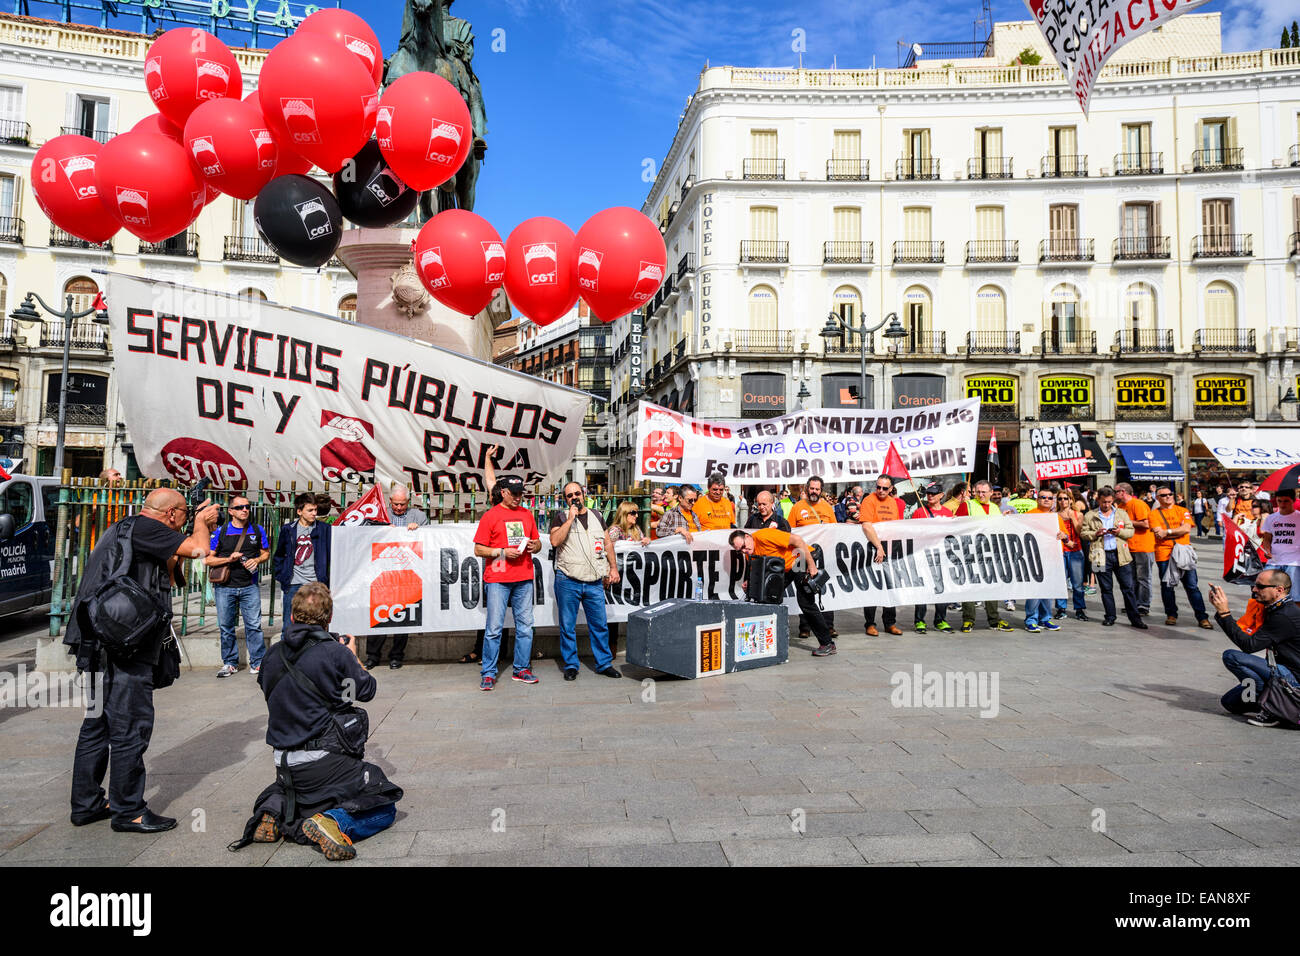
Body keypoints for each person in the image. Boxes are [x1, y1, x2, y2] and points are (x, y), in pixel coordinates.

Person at [67, 488, 220, 832]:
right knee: (129, 728)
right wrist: (200, 523)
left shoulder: (123, 528)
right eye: (182, 515)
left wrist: (179, 543)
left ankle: (87, 803)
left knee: (97, 725)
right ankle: (128, 810)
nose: (182, 521)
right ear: (171, 515)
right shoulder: (150, 528)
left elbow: (173, 576)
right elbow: (201, 550)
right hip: (125, 651)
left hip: (94, 644)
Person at [233, 582, 402, 860]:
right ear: (329, 618)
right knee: (383, 802)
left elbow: (271, 689)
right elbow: (364, 691)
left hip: (283, 762)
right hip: (321, 760)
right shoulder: (335, 653)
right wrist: (353, 657)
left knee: (297, 793)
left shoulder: (273, 654)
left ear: (291, 616)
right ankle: (333, 823)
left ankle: (273, 814)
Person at [472, 475, 543, 690]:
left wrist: (535, 546)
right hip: (498, 579)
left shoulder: (527, 514)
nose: (519, 498)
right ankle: (489, 673)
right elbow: (478, 549)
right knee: (494, 628)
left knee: (525, 627)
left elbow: (538, 542)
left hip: (523, 577)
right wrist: (501, 551)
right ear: (503, 492)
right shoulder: (490, 516)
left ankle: (521, 668)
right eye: (514, 494)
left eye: (521, 493)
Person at [550, 481, 622, 681]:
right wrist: (569, 520)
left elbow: (607, 543)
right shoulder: (561, 517)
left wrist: (613, 567)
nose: (574, 497)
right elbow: (555, 541)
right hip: (568, 580)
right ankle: (571, 665)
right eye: (569, 495)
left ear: (584, 494)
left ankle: (604, 663)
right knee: (568, 625)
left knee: (599, 624)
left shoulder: (597, 515)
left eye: (577, 493)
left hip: (594, 581)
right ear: (565, 499)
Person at [1209, 572, 1300, 727]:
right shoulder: (1275, 608)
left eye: (1260, 586)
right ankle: (1268, 696)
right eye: (1254, 585)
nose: (1254, 590)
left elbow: (1249, 646)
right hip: (1280, 671)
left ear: (1279, 589)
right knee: (1229, 703)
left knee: (1232, 656)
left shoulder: (1285, 615)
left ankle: (1274, 707)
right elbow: (1247, 636)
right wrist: (1221, 613)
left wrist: (1225, 613)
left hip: (1293, 680)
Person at [729, 527, 835, 656]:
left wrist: (811, 565)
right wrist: (748, 582)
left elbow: (798, 540)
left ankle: (827, 643)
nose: (744, 551)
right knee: (767, 597)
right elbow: (755, 570)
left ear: (747, 537)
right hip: (785, 569)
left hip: (799, 560)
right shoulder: (748, 552)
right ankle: (766, 640)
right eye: (740, 550)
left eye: (744, 547)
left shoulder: (764, 536)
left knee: (805, 602)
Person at [363, 485, 428, 671]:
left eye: (403, 504)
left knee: (402, 618)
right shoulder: (380, 515)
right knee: (378, 617)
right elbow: (364, 532)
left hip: (407, 575)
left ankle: (397, 656)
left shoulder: (419, 516)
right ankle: (372, 656)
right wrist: (383, 528)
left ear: (409, 502)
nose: (399, 507)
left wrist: (418, 531)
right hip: (383, 575)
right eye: (396, 504)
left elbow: (429, 540)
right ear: (389, 501)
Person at [205, 494, 271, 678]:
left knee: (254, 626)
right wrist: (229, 558)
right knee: (226, 626)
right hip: (225, 586)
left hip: (250, 586)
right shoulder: (221, 532)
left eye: (247, 507)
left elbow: (265, 553)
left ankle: (257, 663)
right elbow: (208, 559)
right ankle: (230, 663)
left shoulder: (257, 530)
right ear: (231, 511)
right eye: (240, 507)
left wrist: (257, 560)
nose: (245, 510)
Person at [1080, 487, 1146, 630]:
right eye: (1104, 502)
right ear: (1098, 500)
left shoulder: (1121, 513)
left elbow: (1131, 531)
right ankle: (1110, 616)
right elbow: (1084, 533)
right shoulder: (1090, 515)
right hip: (1098, 554)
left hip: (1120, 554)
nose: (1106, 505)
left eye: (1109, 502)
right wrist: (1096, 534)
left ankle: (1135, 618)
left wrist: (1119, 532)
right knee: (1106, 588)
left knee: (1128, 588)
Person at [1150, 485, 1211, 629]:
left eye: (1170, 494)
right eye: (1163, 495)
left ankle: (1202, 617)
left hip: (1183, 551)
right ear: (1158, 498)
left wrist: (1168, 531)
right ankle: (1171, 614)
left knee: (1191, 586)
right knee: (1167, 586)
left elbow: (1186, 529)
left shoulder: (1183, 511)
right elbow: (1159, 533)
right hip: (1164, 553)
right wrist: (1176, 531)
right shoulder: (1154, 514)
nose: (1168, 497)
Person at [959, 481, 1015, 633]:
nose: (981, 495)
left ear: (991, 493)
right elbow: (957, 526)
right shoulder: (968, 505)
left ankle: (994, 619)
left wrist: (1004, 519)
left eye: (984, 492)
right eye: (978, 492)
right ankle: (968, 619)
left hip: (990, 552)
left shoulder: (996, 508)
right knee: (970, 585)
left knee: (991, 585)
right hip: (971, 551)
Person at [789, 475, 839, 639]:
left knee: (825, 588)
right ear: (806, 488)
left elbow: (835, 530)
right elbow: (790, 531)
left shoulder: (827, 508)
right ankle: (805, 627)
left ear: (821, 490)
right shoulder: (797, 507)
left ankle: (828, 626)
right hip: (801, 556)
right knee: (803, 590)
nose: (814, 491)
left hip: (823, 554)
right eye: (812, 488)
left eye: (817, 489)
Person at [272, 493, 331, 627]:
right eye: (310, 510)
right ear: (299, 511)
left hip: (316, 583)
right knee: (289, 625)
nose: (314, 513)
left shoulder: (324, 529)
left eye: (315, 510)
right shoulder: (288, 529)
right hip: (293, 583)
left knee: (317, 623)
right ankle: (288, 648)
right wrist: (282, 575)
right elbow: (279, 554)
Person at [859, 474, 903, 636]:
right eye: (878, 487)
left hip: (889, 548)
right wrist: (879, 547)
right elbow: (866, 526)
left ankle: (889, 623)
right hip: (872, 547)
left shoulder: (892, 502)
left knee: (890, 587)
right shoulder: (869, 500)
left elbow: (895, 526)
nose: (881, 490)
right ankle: (870, 624)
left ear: (891, 489)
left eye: (885, 488)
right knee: (873, 587)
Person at [909, 481, 953, 633]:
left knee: (942, 588)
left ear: (941, 495)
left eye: (933, 493)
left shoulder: (948, 513)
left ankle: (940, 620)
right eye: (928, 493)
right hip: (923, 555)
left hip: (942, 556)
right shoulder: (919, 512)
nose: (930, 496)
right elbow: (911, 533)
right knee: (923, 589)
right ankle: (919, 621)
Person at [1024, 488, 1065, 632]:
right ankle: (1031, 619)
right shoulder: (1029, 515)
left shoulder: (1056, 517)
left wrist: (1063, 536)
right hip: (1034, 557)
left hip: (1051, 558)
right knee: (1034, 591)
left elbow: (1064, 535)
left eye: (1049, 498)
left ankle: (1045, 619)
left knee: (1047, 591)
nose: (1046, 500)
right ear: (1037, 499)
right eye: (1043, 497)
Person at [1115, 483, 1154, 619]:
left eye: (1116, 492)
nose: (1115, 494)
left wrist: (1127, 522)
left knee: (1143, 577)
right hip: (1128, 547)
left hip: (1142, 546)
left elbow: (1146, 524)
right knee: (1131, 579)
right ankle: (1133, 603)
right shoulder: (1120, 507)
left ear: (1123, 492)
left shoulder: (1138, 504)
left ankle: (1143, 605)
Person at [1261, 488, 1300, 602]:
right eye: (1279, 501)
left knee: (1294, 596)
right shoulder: (1271, 518)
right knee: (1266, 593)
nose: (1282, 504)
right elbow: (1267, 539)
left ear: (1293, 501)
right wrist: (1267, 550)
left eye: (1286, 501)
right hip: (1274, 561)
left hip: (1294, 562)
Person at [1056, 489, 1088, 620]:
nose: (1063, 501)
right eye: (1060, 499)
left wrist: (1073, 518)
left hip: (1075, 551)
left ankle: (1079, 609)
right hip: (1060, 551)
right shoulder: (1054, 515)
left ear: (1070, 500)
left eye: (1065, 498)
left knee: (1077, 583)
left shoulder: (1078, 514)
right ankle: (1061, 608)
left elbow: (1081, 532)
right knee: (1060, 582)